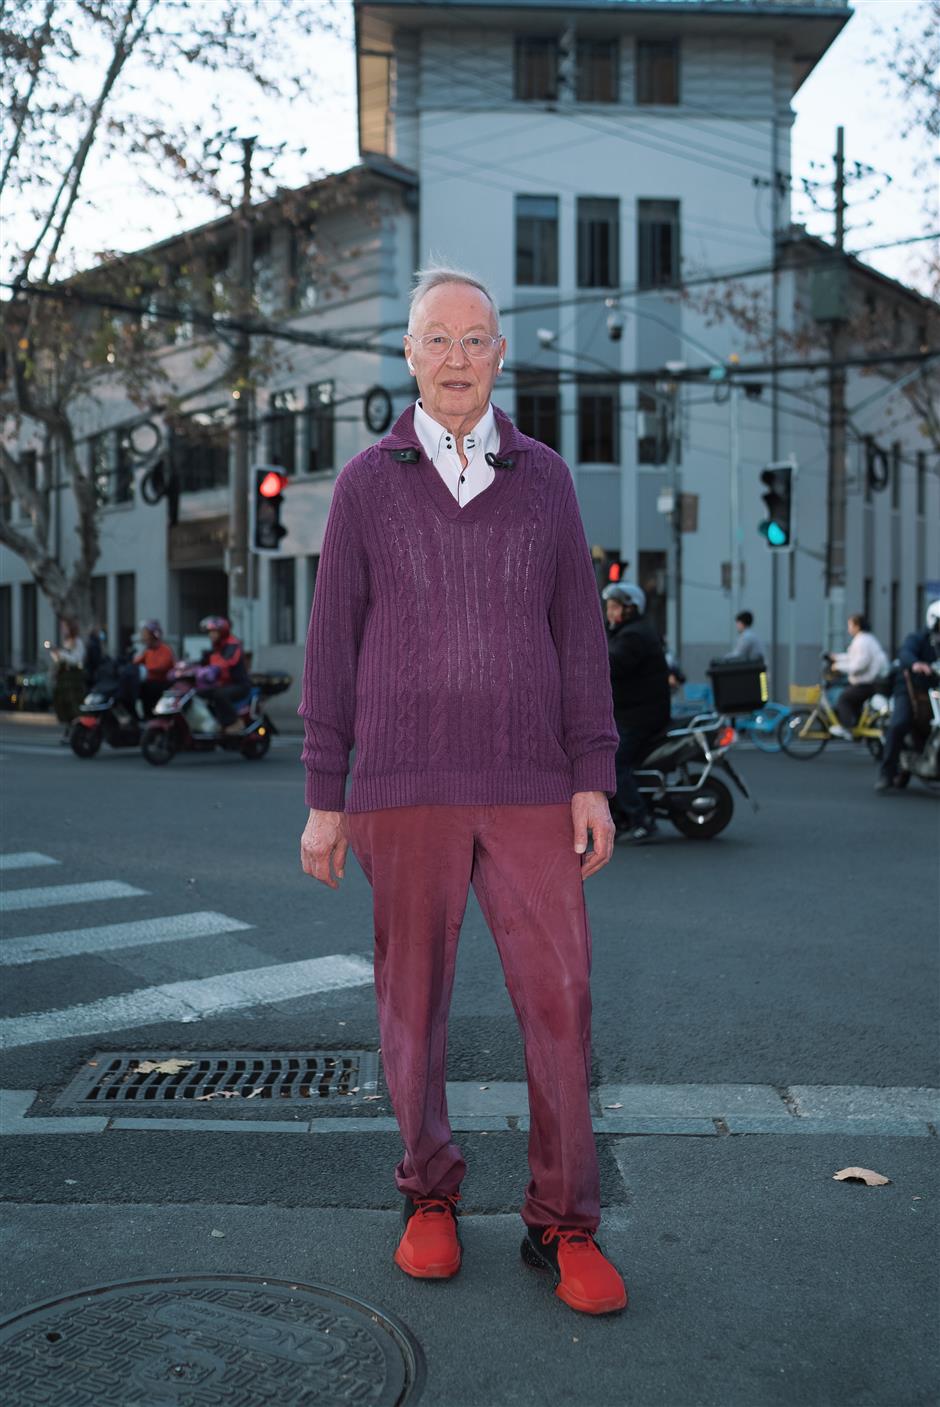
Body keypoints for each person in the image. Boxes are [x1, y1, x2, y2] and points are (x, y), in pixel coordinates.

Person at [299, 266, 627, 1317]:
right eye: (435, 339)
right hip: (402, 784)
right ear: (407, 355)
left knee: (562, 999)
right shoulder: (366, 484)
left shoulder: (546, 478)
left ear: (499, 356)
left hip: (531, 781)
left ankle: (562, 1219)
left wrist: (593, 776)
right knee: (412, 1005)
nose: (455, 358)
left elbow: (579, 637)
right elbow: (330, 643)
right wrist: (324, 793)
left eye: (474, 339)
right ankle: (428, 1192)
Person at [603, 583, 671, 844]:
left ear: (630, 609)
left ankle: (642, 820)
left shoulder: (633, 636)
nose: (610, 612)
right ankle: (620, 816)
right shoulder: (627, 632)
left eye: (615, 607)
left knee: (614, 764)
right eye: (609, 607)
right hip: (633, 712)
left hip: (640, 716)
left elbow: (611, 664)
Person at [875, 600, 940, 793]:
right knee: (899, 723)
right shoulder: (918, 638)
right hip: (910, 689)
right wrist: (915, 664)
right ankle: (886, 773)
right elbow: (905, 653)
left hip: (935, 692)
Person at [826, 614, 889, 739]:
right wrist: (836, 658)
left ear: (857, 626)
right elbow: (852, 657)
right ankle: (855, 727)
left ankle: (847, 727)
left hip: (867, 683)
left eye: (850, 625)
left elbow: (859, 664)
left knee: (844, 699)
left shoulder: (862, 641)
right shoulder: (866, 639)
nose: (848, 628)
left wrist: (838, 666)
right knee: (852, 701)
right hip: (871, 682)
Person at [198, 615, 249, 733]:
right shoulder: (216, 647)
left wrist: (214, 668)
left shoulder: (233, 644)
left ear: (222, 632)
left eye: (214, 632)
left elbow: (228, 660)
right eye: (209, 632)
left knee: (219, 694)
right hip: (222, 684)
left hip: (239, 685)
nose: (211, 635)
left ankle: (234, 722)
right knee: (198, 693)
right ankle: (210, 724)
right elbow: (204, 662)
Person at [49, 618, 86, 734]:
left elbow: (76, 659)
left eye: (65, 627)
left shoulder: (77, 642)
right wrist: (56, 655)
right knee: (63, 703)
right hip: (64, 677)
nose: (63, 629)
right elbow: (60, 660)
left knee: (73, 703)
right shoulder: (66, 641)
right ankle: (70, 728)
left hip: (73, 678)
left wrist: (61, 655)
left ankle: (77, 730)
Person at [133, 619, 176, 717]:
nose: (143, 638)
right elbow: (136, 662)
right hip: (150, 684)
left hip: (161, 684)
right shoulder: (148, 651)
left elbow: (163, 666)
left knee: (149, 689)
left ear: (154, 635)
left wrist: (146, 668)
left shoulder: (165, 650)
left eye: (145, 634)